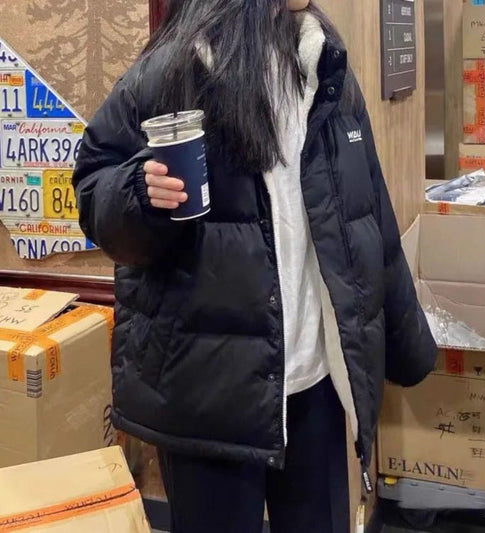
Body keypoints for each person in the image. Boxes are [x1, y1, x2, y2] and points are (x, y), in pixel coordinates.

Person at [73, 1, 437, 532]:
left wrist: (406, 343)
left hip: (316, 379)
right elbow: (92, 187)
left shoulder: (321, 60)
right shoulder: (177, 69)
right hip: (208, 393)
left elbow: (367, 209)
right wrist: (139, 192)